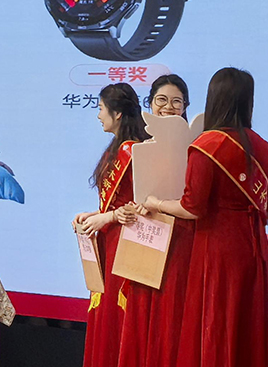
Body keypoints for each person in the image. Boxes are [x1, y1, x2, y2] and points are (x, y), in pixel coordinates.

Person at [143, 68, 268, 367]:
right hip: (256, 251)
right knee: (251, 328)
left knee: (215, 326)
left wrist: (156, 202)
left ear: (213, 99)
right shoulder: (265, 148)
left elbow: (192, 208)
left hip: (217, 252)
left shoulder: (207, 145)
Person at [117, 74, 194, 367]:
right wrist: (129, 210)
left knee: (172, 316)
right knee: (142, 316)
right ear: (150, 104)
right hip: (145, 237)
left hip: (181, 239)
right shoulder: (138, 147)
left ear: (185, 107)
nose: (168, 107)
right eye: (161, 100)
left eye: (177, 102)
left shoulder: (196, 148)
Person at [73, 83, 148, 367]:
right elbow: (113, 204)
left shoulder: (134, 151)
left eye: (101, 108)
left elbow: (139, 206)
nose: (98, 115)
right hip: (109, 240)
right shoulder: (115, 149)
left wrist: (107, 218)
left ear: (117, 114)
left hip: (125, 243)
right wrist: (93, 215)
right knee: (104, 312)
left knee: (117, 315)